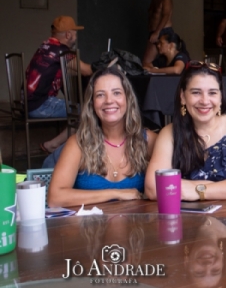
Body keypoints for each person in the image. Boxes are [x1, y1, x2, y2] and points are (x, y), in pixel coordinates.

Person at [145, 62, 226, 201]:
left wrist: (199, 190)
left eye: (212, 93)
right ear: (183, 97)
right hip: (186, 214)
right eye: (196, 92)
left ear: (221, 97)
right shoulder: (170, 133)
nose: (204, 101)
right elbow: (153, 188)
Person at [47, 66, 157, 207]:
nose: (109, 100)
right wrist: (115, 193)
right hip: (88, 222)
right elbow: (55, 198)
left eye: (116, 93)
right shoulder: (78, 143)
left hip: (136, 221)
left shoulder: (149, 141)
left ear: (128, 99)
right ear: (92, 103)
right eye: (100, 95)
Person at [27, 16, 93, 154]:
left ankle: (63, 148)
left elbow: (63, 70)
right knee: (89, 111)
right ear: (68, 35)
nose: (76, 37)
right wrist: (104, 66)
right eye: (75, 33)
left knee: (78, 108)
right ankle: (54, 145)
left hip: (28, 103)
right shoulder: (61, 50)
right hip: (40, 105)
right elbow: (86, 71)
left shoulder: (46, 46)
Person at [142, 0, 173, 66]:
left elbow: (166, 15)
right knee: (146, 63)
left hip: (163, 32)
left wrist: (157, 32)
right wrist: (154, 32)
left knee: (168, 61)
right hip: (153, 33)